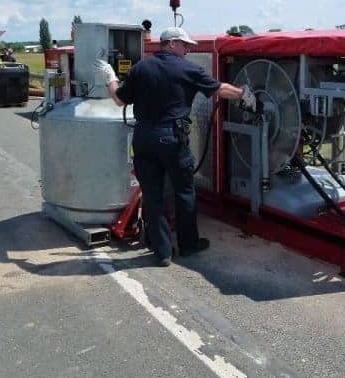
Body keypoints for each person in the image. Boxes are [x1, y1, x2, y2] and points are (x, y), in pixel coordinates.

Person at [95, 27, 256, 267]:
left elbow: (119, 99)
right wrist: (244, 94)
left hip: (143, 138)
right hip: (171, 138)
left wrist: (110, 76)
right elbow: (219, 89)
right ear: (171, 44)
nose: (189, 49)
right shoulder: (187, 68)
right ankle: (188, 245)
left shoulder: (141, 67)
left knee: (152, 194)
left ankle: (162, 252)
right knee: (184, 191)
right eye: (185, 45)